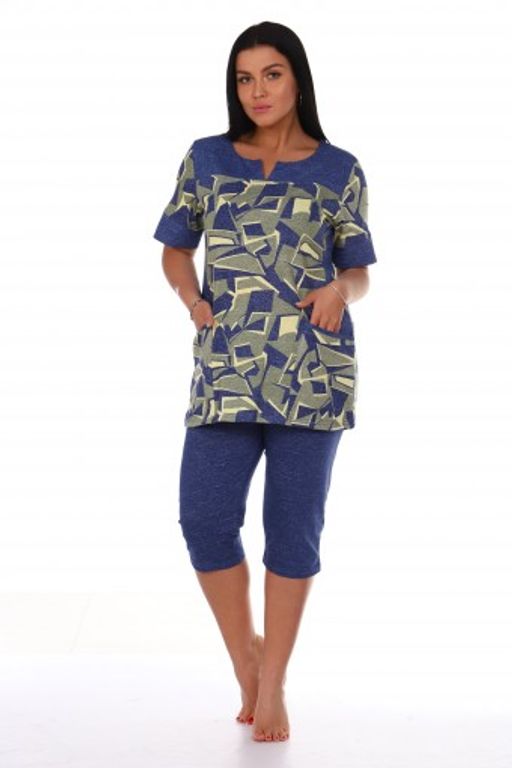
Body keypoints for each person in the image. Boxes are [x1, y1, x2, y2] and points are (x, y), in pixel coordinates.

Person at [153, 21, 377, 743]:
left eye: (271, 74)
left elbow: (358, 271)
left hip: (312, 371)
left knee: (292, 528)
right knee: (204, 519)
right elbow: (175, 250)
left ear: (297, 79)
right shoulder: (207, 158)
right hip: (226, 367)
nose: (257, 90)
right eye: (245, 78)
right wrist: (193, 301)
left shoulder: (339, 169)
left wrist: (339, 291)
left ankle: (273, 680)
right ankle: (246, 662)